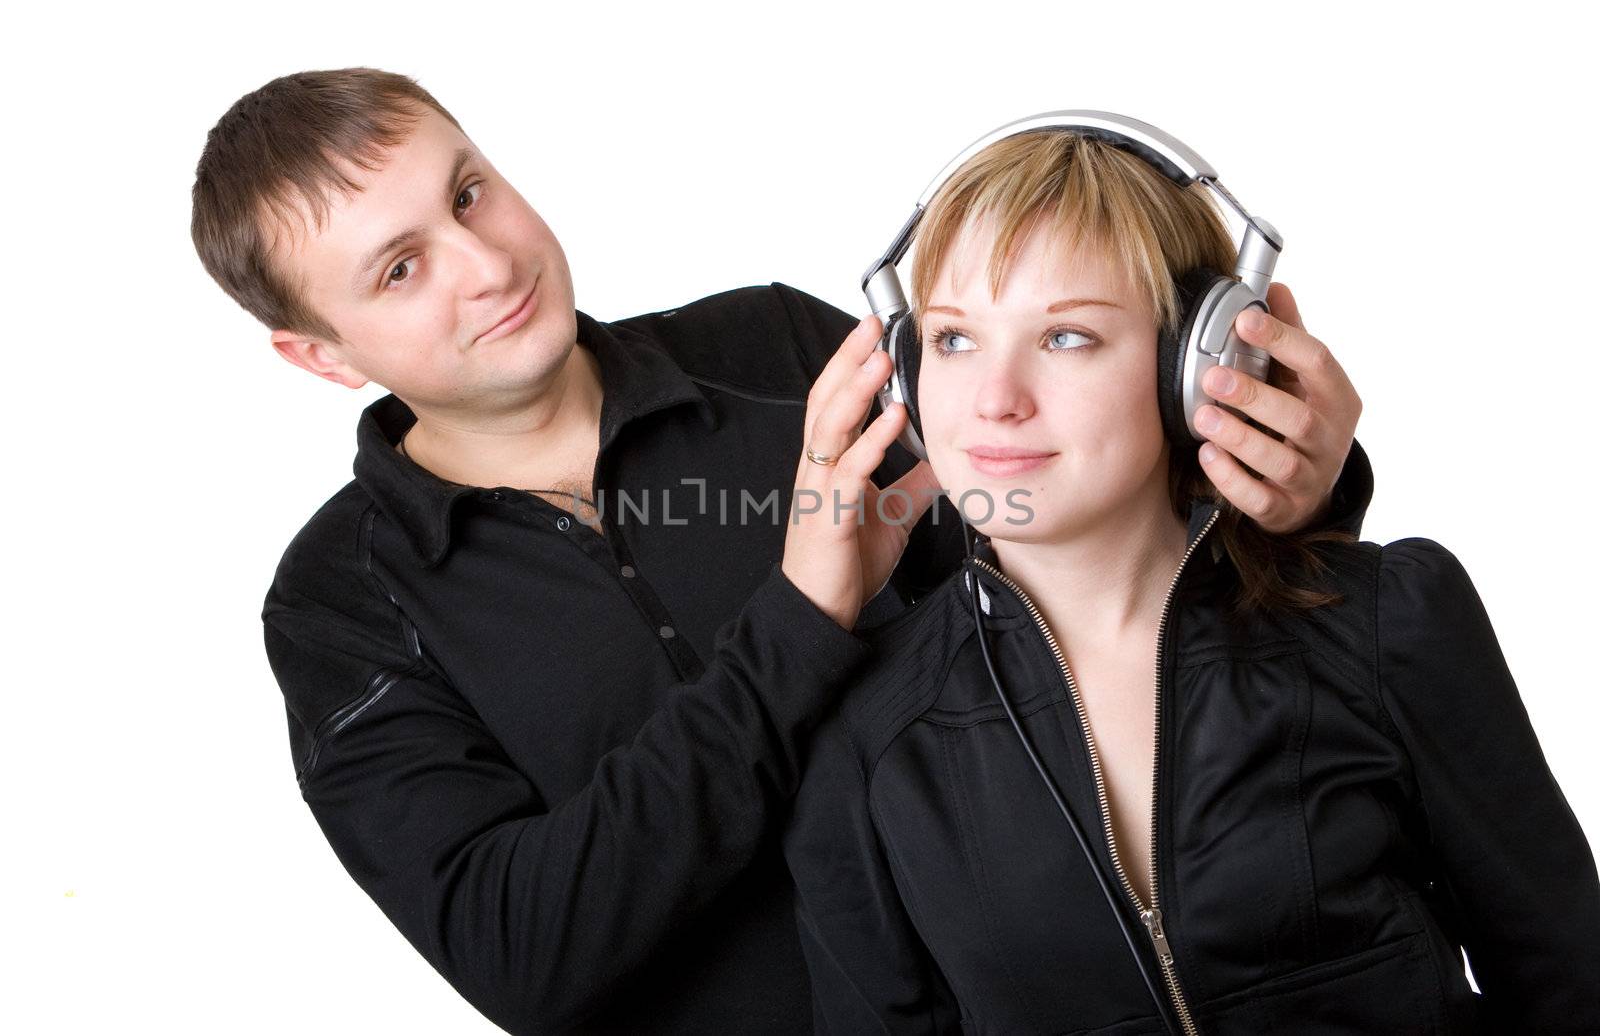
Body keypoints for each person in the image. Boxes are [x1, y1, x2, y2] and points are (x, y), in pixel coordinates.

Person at [189, 70, 1368, 1034]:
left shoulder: (780, 347)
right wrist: (804, 613)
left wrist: (1281, 492)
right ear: (322, 355)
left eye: (469, 192)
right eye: (401, 268)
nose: (486, 262)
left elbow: (1104, 583)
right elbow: (524, 952)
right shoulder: (339, 604)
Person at [782, 128, 1600, 1034]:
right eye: (953, 338)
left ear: (1204, 366)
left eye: (1066, 335)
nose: (994, 398)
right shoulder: (864, 739)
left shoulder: (1389, 620)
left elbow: (1570, 986)